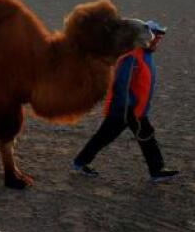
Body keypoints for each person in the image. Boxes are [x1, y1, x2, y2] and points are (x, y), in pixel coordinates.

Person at [71, 20, 179, 183]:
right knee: (118, 136)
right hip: (125, 110)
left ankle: (80, 162)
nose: (157, 40)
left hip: (134, 109)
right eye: (156, 36)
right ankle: (156, 171)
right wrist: (130, 108)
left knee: (111, 136)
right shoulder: (132, 56)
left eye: (160, 37)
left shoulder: (145, 55)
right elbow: (121, 83)